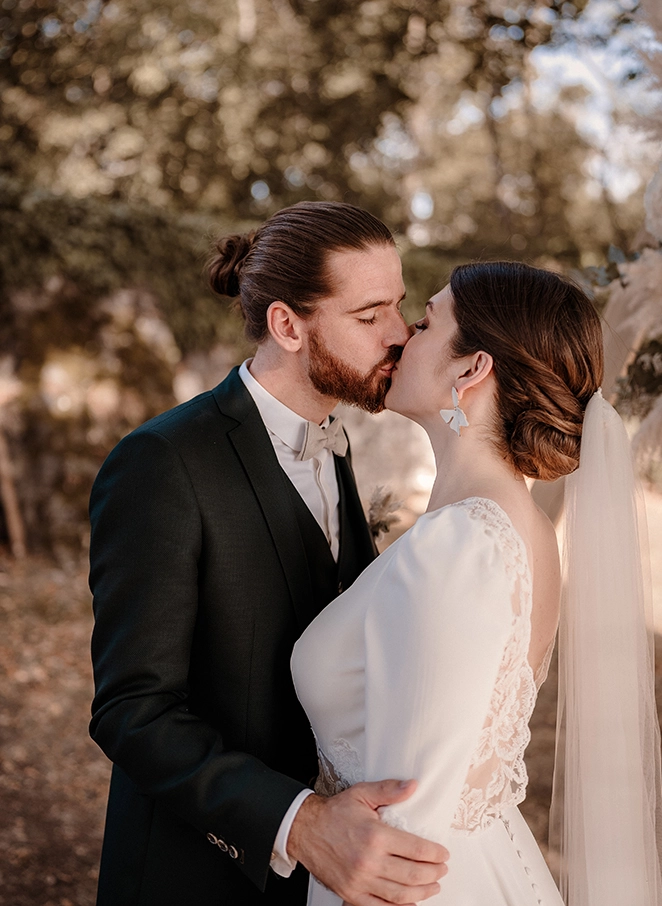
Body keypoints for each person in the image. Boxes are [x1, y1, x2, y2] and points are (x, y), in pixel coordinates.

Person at [88, 201, 449, 906]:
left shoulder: (334, 443)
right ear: (288, 325)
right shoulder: (161, 462)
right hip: (194, 879)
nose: (401, 335)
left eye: (399, 307)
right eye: (370, 315)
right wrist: (300, 824)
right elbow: (133, 709)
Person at [292, 261, 662, 905]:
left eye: (426, 320)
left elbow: (408, 817)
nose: (402, 337)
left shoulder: (466, 543)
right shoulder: (506, 527)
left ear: (471, 369)